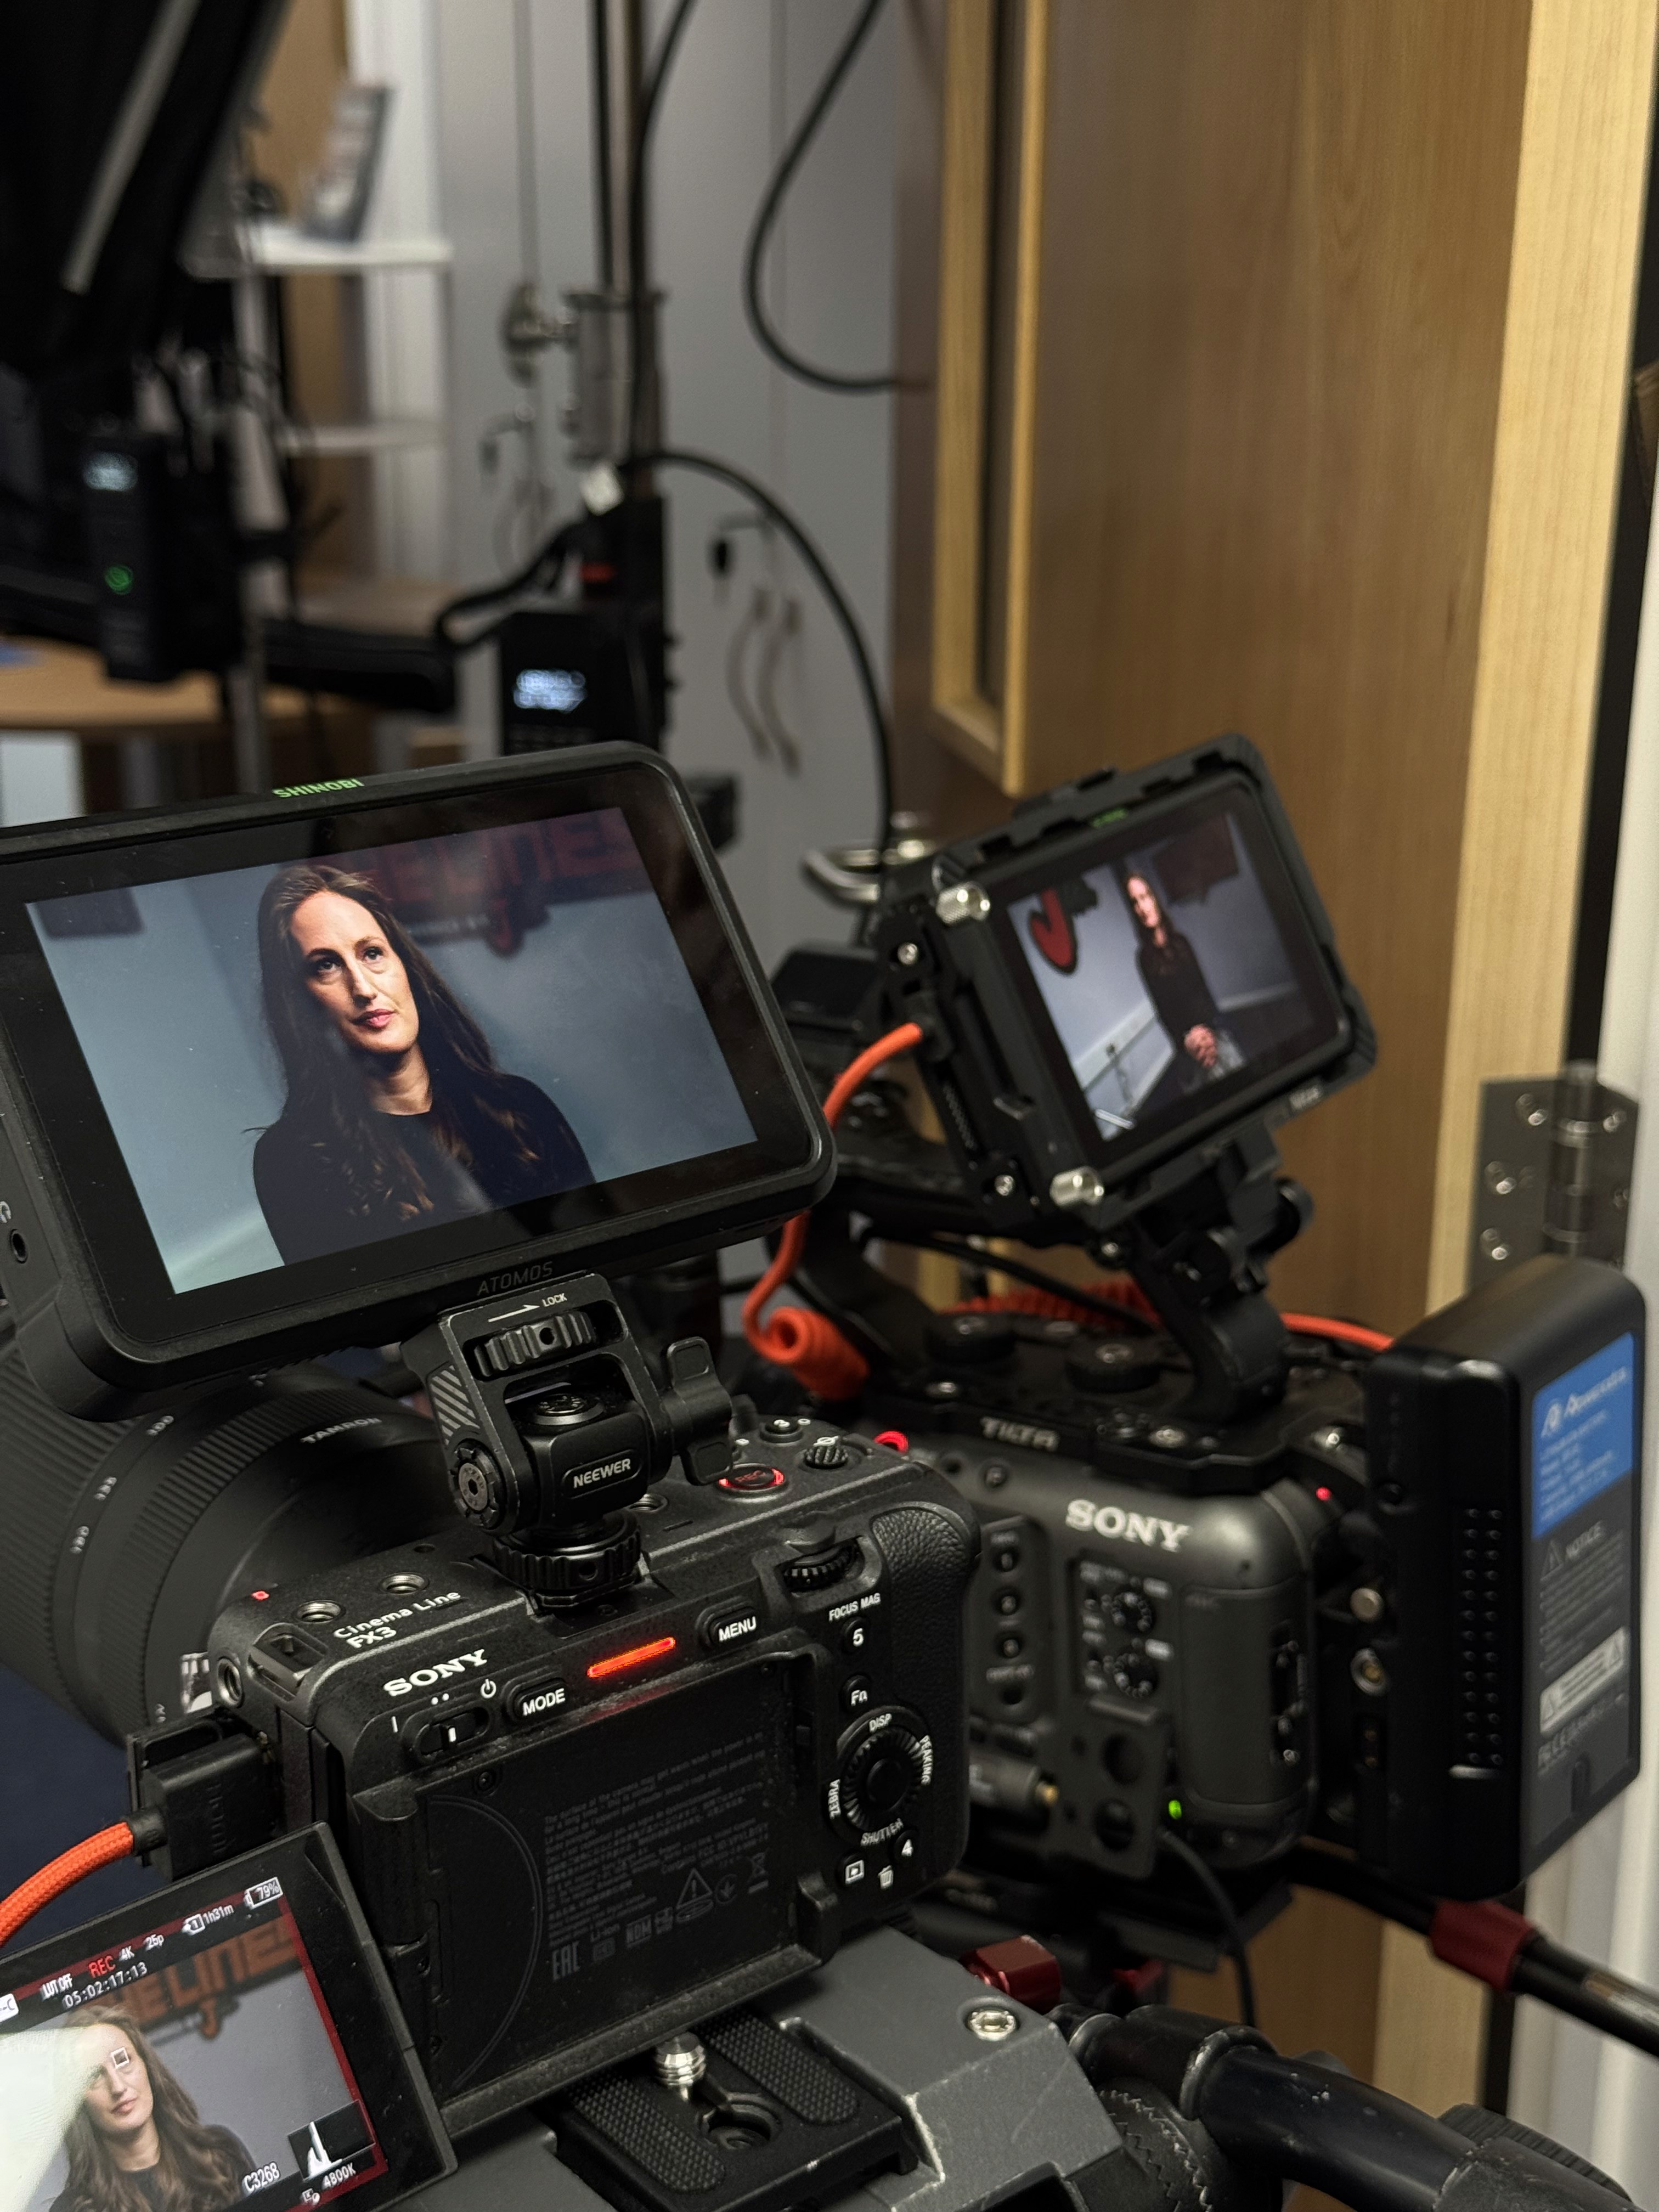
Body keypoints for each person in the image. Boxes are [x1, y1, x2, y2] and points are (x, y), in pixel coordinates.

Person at [252, 862, 593, 1264]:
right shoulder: (292, 1160)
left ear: (405, 968)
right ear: (299, 1001)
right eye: (326, 965)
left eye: (372, 954)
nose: (363, 988)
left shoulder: (520, 1107)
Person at [48, 2009, 251, 2212]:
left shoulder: (220, 2154)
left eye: (123, 2060)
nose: (118, 2087)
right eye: (94, 2076)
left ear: (147, 2066)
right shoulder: (71, 2209)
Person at [1120, 869, 1244, 1090]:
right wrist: (1188, 1041)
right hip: (1186, 1044)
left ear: (1154, 898)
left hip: (1212, 1030)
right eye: (1135, 902)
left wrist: (1206, 1035)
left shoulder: (1182, 942)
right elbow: (1163, 1010)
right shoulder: (1144, 958)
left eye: (1145, 897)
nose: (1142, 907)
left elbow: (1203, 992)